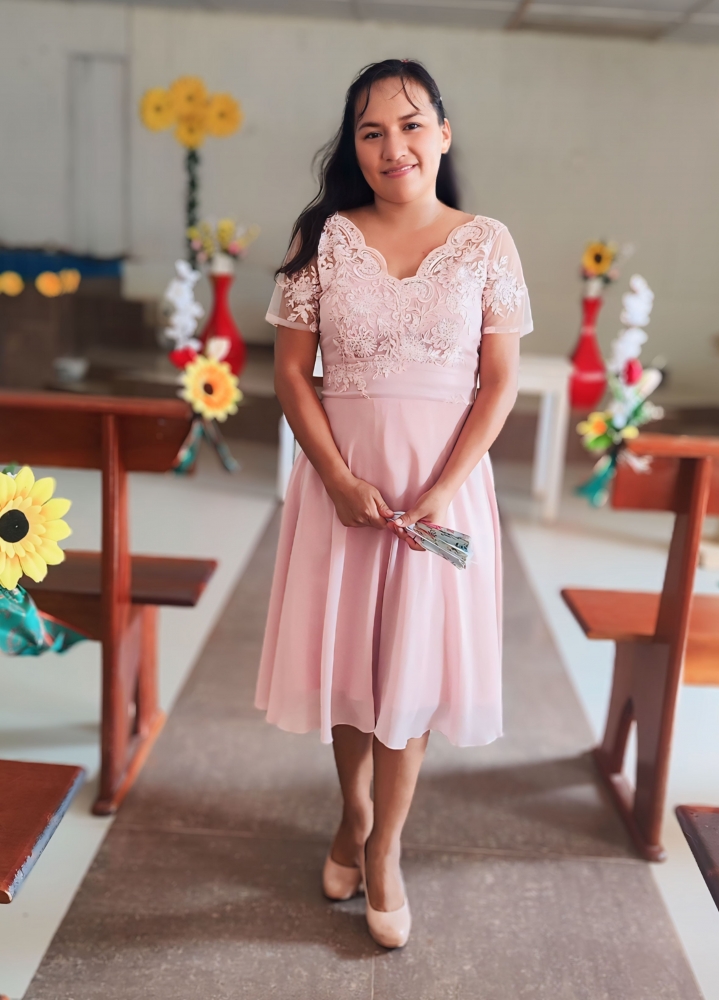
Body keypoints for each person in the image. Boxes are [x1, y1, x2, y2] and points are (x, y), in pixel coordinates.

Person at [256, 58, 532, 949]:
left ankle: (386, 848)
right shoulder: (324, 238)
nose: (393, 146)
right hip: (343, 484)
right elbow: (291, 374)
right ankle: (353, 814)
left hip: (442, 489)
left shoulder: (486, 242)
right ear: (355, 147)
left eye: (411, 125)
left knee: (411, 669)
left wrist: (446, 488)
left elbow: (499, 383)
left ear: (443, 135)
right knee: (351, 664)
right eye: (371, 131)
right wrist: (338, 479)